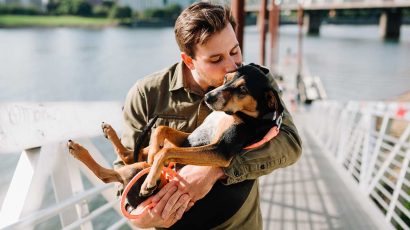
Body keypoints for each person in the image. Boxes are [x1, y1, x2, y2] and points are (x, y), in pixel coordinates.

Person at [114, 2, 302, 229]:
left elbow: (290, 144)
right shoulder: (146, 94)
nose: (232, 66)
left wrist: (215, 168)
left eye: (235, 51)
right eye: (216, 59)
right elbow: (123, 182)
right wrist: (144, 218)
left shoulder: (255, 82)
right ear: (189, 60)